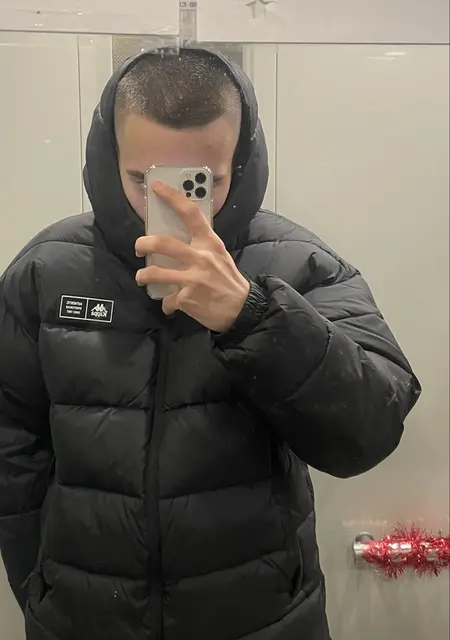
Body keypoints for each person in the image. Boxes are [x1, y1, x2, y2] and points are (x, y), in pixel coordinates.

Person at [0, 48, 420, 640]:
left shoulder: (301, 266)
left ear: (240, 162)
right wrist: (40, 588)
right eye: (143, 180)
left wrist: (253, 316)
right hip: (82, 617)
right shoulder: (47, 270)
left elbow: (369, 432)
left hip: (263, 622)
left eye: (203, 182)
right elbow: (11, 443)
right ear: (107, 158)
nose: (169, 203)